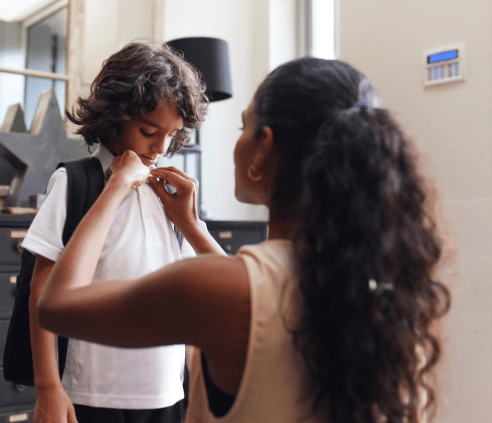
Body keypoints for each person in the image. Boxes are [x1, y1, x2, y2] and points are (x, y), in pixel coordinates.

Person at [36, 57, 451, 423]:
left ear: (263, 149)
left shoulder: (218, 288)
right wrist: (193, 226)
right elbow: (246, 283)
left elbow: (55, 306)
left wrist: (117, 191)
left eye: (243, 126)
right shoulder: (389, 294)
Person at [22, 42, 224, 423]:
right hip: (93, 393)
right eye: (149, 130)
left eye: (172, 134)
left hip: (165, 391)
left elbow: (203, 294)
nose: (161, 147)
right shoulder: (76, 182)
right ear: (117, 117)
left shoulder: (168, 197)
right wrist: (49, 386)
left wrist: (191, 224)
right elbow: (41, 289)